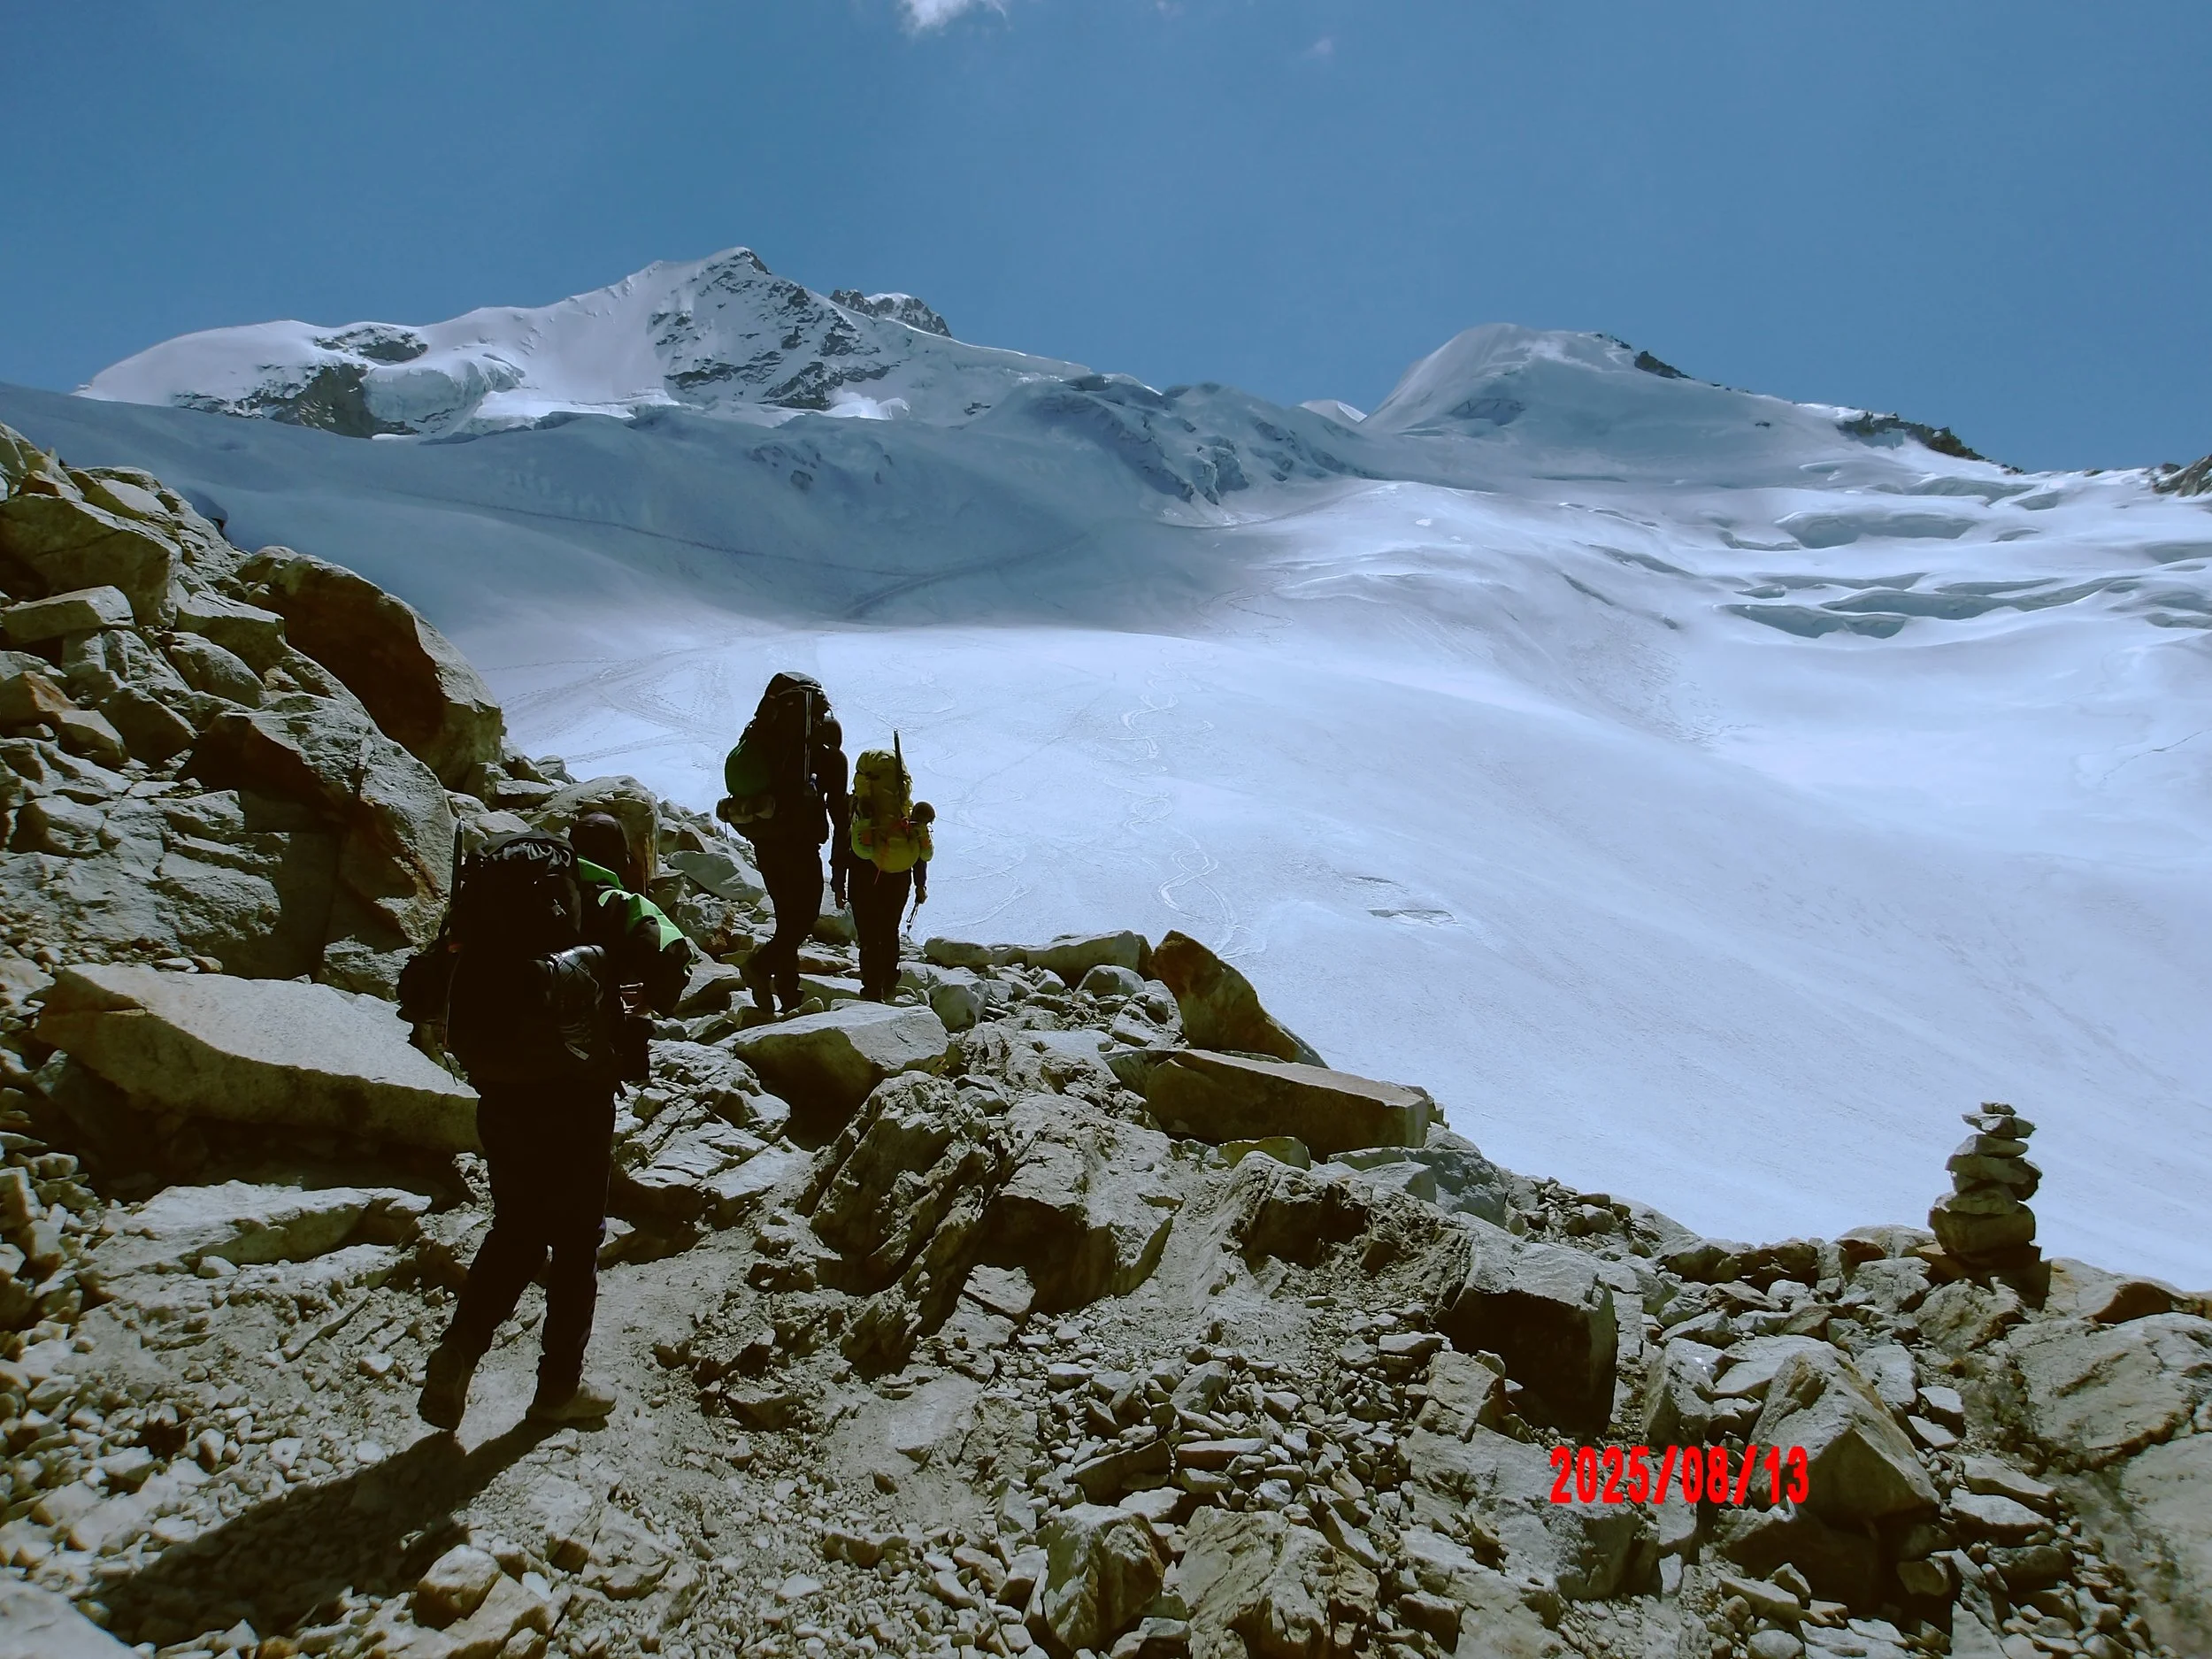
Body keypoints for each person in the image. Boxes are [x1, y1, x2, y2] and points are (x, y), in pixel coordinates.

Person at [411, 810, 687, 1431]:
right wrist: (634, 998)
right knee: (576, 1241)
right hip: (576, 1096)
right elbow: (673, 957)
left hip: (500, 1090)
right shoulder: (613, 899)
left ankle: (458, 1350)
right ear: (621, 857)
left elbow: (427, 983)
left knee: (516, 1227)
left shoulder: (502, 898)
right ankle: (557, 1389)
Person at [717, 673, 849, 1017]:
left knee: (787, 918)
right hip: (801, 845)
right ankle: (761, 967)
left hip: (765, 838)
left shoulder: (769, 745)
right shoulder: (829, 758)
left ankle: (789, 994)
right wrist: (840, 870)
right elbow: (840, 816)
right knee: (802, 922)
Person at [846, 734, 933, 1002]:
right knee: (889, 930)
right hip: (899, 878)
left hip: (863, 876)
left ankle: (871, 988)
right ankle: (889, 984)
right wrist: (920, 883)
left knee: (869, 935)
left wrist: (838, 883)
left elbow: (843, 845)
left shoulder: (857, 805)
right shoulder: (903, 807)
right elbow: (919, 851)